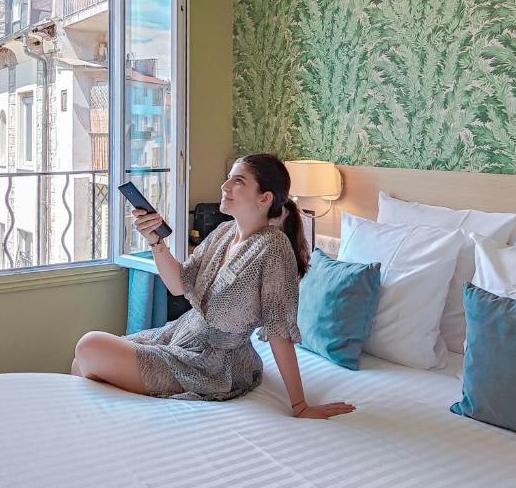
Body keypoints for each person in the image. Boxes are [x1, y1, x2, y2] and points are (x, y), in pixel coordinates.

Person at [71, 153, 355, 419]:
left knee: (90, 346)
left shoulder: (273, 249)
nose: (225, 185)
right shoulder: (224, 232)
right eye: (229, 177)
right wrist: (156, 242)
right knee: (80, 362)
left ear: (265, 198)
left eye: (238, 181)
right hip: (179, 334)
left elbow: (278, 327)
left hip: (211, 364)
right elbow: (178, 285)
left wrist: (300, 405)